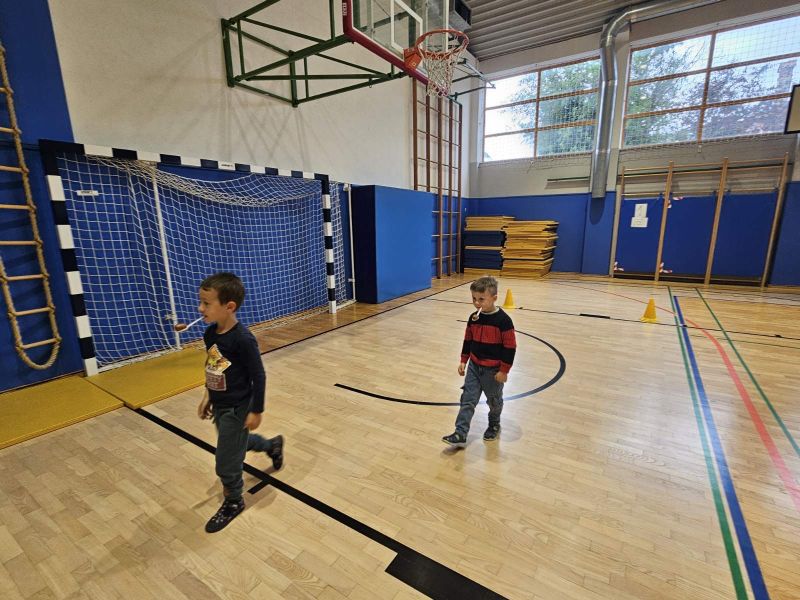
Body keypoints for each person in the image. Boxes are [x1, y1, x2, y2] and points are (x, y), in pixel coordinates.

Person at [196, 272, 284, 533]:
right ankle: (272, 445)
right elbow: (215, 366)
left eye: (206, 303)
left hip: (238, 406)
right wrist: (208, 394)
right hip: (220, 404)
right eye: (200, 302)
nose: (200, 308)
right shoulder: (210, 334)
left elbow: (259, 375)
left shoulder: (243, 339)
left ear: (229, 306)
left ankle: (234, 500)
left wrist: (257, 410)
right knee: (238, 443)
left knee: (225, 461)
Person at [442, 276, 516, 448]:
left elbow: (510, 347)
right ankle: (460, 433)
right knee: (467, 399)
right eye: (474, 298)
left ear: (494, 298)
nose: (476, 303)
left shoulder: (504, 321)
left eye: (481, 299)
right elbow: (468, 340)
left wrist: (504, 371)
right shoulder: (473, 318)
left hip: (493, 371)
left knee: (494, 401)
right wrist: (463, 360)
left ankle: (494, 424)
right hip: (474, 367)